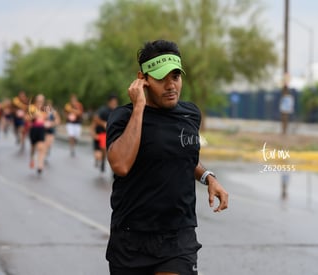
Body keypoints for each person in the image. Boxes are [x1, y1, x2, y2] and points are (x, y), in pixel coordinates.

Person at [106, 40, 229, 275]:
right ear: (143, 79)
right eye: (162, 78)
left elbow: (184, 156)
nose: (171, 85)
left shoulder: (190, 114)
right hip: (132, 237)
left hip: (178, 236)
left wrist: (208, 177)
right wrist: (139, 108)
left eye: (176, 76)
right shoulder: (123, 117)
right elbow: (120, 165)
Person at [91, 94, 118, 173]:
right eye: (113, 102)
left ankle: (110, 168)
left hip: (110, 135)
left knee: (108, 150)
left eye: (115, 102)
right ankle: (101, 160)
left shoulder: (117, 111)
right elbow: (95, 119)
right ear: (109, 102)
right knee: (99, 155)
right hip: (100, 133)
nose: (114, 104)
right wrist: (103, 123)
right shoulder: (103, 110)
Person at [26, 94, 47, 174]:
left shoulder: (45, 109)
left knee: (41, 147)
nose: (40, 102)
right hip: (33, 129)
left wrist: (48, 123)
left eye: (42, 100)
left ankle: (40, 166)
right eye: (39, 100)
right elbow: (26, 118)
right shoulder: (31, 108)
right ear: (36, 100)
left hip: (41, 129)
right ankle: (32, 158)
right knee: (33, 147)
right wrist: (33, 116)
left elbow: (48, 118)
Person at [44, 99, 61, 163]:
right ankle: (44, 154)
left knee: (49, 143)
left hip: (51, 129)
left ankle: (48, 152)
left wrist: (52, 123)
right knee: (45, 143)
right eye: (47, 105)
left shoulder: (54, 112)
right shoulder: (42, 112)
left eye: (49, 106)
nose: (48, 107)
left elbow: (58, 121)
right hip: (44, 130)